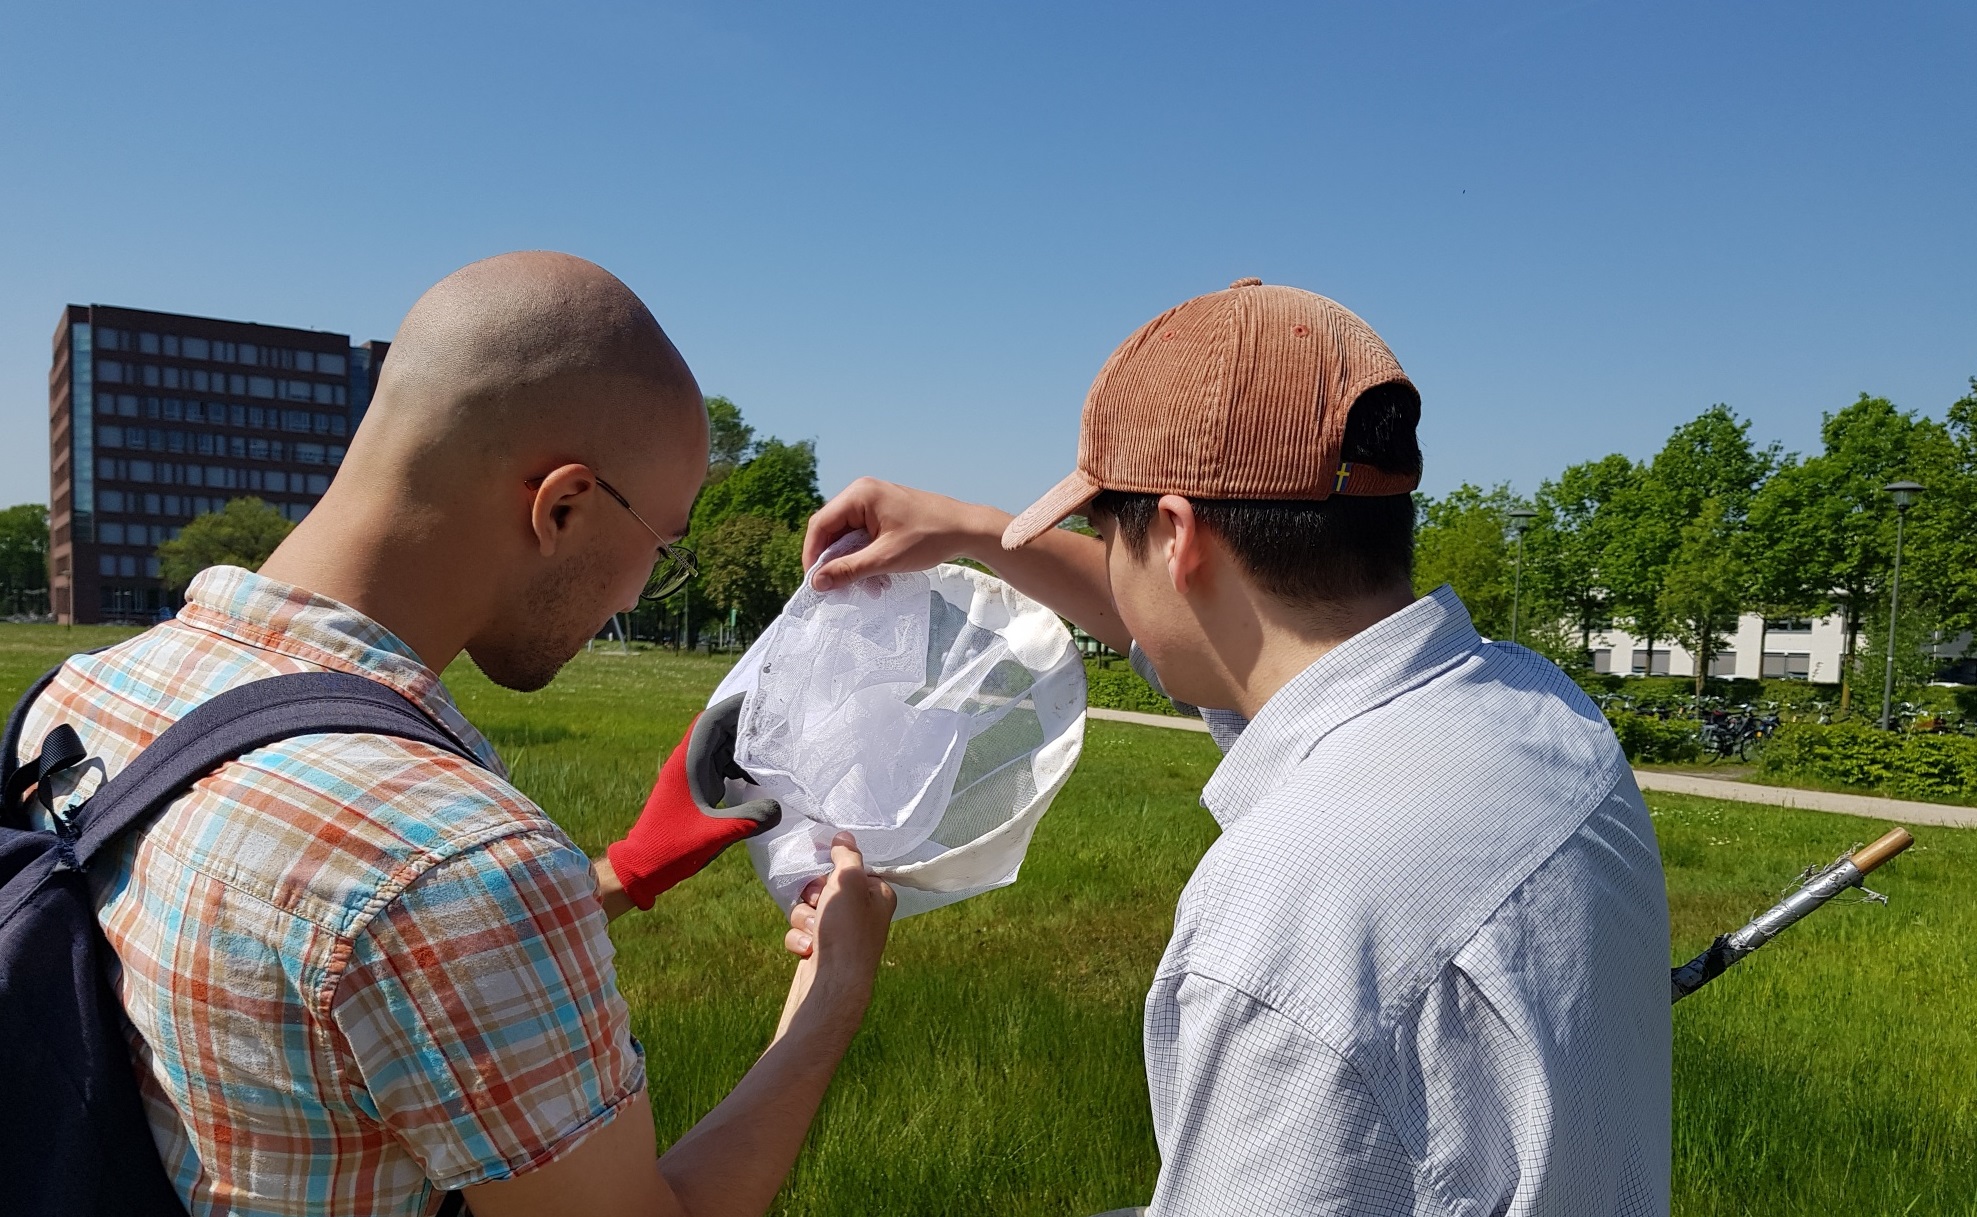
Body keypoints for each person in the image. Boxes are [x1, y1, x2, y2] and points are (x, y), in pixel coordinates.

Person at [18, 252, 894, 1217]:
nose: (640, 590)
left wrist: (620, 873)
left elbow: (309, 974)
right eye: (660, 543)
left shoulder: (85, 696)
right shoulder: (451, 859)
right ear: (560, 504)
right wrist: (830, 998)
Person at [798, 279, 1671, 1214]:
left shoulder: (1287, 912)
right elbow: (1202, 630)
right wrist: (972, 531)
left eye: (1104, 531)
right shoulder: (1539, 713)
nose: (1111, 576)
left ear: (1177, 538)